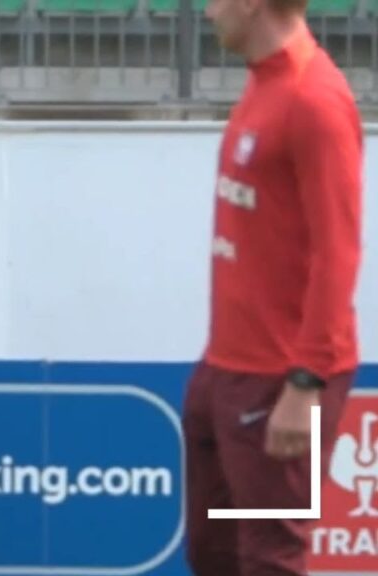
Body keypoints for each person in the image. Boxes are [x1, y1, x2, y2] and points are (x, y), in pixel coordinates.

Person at [183, 2, 363, 575]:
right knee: (215, 556)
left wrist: (305, 383)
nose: (208, 11)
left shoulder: (315, 101)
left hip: (282, 380)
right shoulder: (265, 84)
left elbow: (339, 253)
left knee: (269, 561)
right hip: (225, 371)